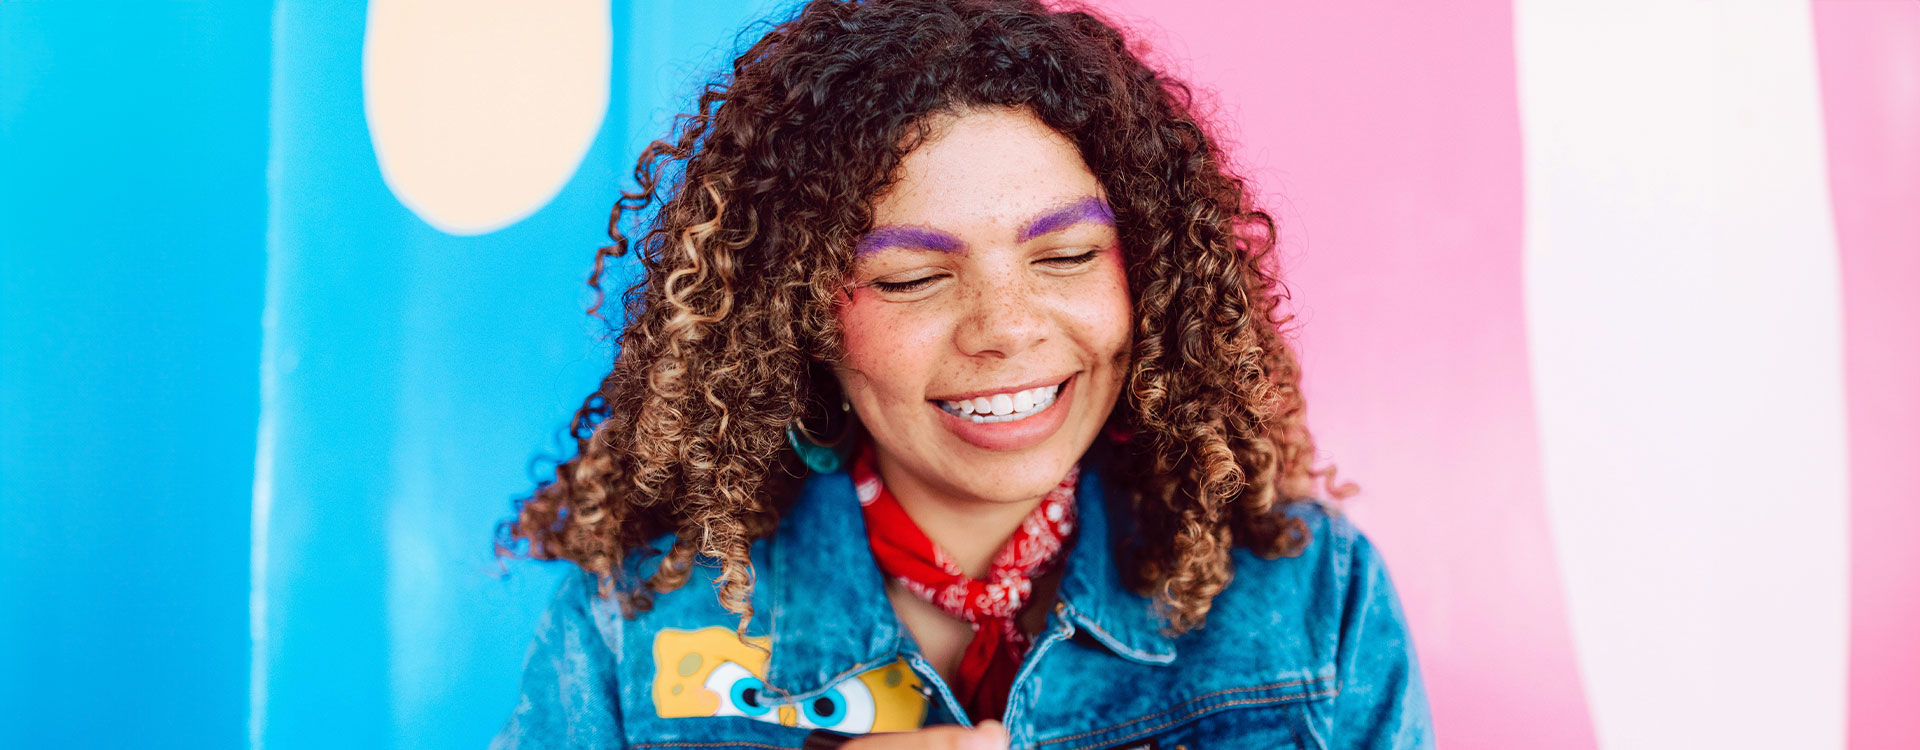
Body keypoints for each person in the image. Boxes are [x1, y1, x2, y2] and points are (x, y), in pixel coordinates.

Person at [491, 1, 1433, 748]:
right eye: (913, 278)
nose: (1006, 329)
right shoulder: (636, 618)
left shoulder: (1312, 596)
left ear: (1146, 273)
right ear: (801, 316)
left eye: (1066, 257)